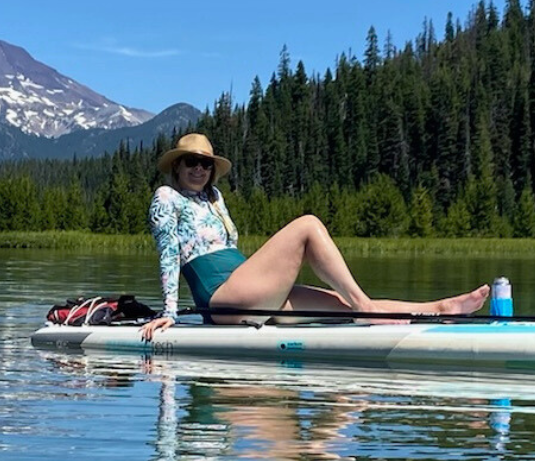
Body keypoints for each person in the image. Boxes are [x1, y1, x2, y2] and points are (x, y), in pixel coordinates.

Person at [140, 133, 490, 340]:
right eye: (191, 162)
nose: (199, 169)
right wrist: (170, 311)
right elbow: (168, 253)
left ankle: (438, 310)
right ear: (177, 166)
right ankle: (366, 307)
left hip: (248, 288)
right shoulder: (166, 197)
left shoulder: (215, 198)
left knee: (345, 305)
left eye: (205, 163)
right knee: (307, 225)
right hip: (223, 297)